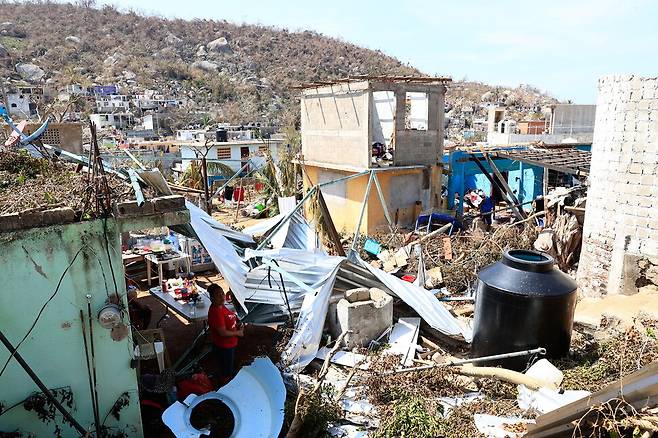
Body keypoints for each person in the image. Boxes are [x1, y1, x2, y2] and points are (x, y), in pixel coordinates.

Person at [207, 284, 244, 384]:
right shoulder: (216, 312)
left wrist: (236, 321)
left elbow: (229, 316)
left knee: (227, 367)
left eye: (222, 293)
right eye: (217, 295)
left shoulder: (220, 306)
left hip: (229, 345)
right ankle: (225, 388)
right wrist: (238, 333)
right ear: (211, 298)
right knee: (226, 372)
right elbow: (222, 332)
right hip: (224, 346)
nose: (222, 296)